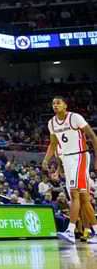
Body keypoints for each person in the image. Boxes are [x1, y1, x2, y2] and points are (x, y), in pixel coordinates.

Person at [43, 96, 97, 244]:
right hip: (67, 160)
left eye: (58, 103)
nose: (55, 105)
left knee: (74, 194)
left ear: (65, 105)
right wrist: (46, 159)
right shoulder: (52, 123)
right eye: (53, 103)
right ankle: (94, 231)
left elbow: (93, 136)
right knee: (83, 199)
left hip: (79, 157)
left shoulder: (75, 117)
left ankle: (71, 231)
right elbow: (53, 144)